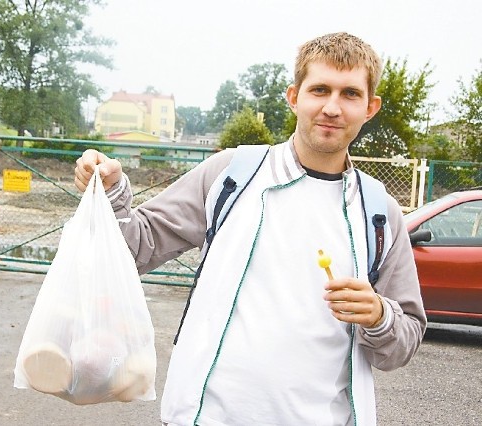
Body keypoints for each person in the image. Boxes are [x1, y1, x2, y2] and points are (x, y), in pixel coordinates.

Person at [74, 32, 426, 426]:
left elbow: (404, 341)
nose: (331, 107)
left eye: (349, 94)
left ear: (370, 107)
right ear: (294, 97)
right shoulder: (232, 173)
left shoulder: (379, 212)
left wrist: (379, 316)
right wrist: (112, 193)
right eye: (320, 89)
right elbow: (134, 249)